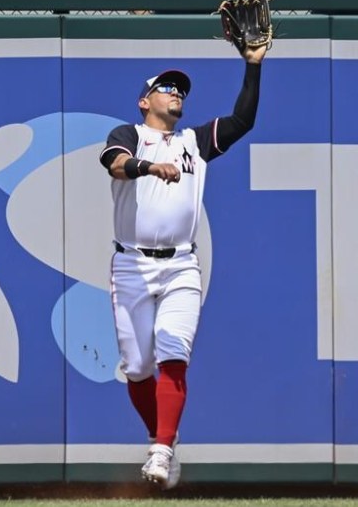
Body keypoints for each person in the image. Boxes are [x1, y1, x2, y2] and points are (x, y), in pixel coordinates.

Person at [98, 42, 267, 489]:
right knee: (137, 367)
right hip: (131, 265)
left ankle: (162, 450)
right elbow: (115, 165)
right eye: (166, 87)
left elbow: (243, 121)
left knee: (174, 353)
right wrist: (150, 167)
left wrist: (253, 65)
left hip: (181, 266)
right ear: (145, 100)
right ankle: (161, 438)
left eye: (180, 89)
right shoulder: (129, 134)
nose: (176, 93)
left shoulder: (194, 142)